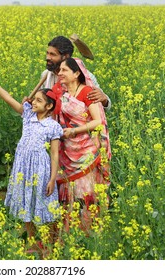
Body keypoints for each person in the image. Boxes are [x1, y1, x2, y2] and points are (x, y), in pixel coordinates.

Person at [0, 69, 63, 251]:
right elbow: (9, 99)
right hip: (22, 165)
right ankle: (32, 240)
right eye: (34, 99)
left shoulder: (53, 126)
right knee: (25, 201)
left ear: (49, 107)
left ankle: (49, 242)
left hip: (40, 168)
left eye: (39, 101)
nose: (33, 102)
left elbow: (55, 154)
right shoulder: (28, 115)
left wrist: (52, 178)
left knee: (42, 202)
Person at [54, 57, 111, 234]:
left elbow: (98, 121)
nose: (60, 73)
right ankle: (72, 234)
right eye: (59, 70)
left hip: (87, 152)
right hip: (68, 152)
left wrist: (75, 131)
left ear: (77, 73)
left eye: (64, 70)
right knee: (70, 195)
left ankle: (91, 233)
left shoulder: (87, 92)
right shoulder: (62, 95)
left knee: (86, 193)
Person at [42, 36, 111, 111]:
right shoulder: (46, 75)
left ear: (65, 56)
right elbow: (42, 100)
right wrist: (31, 102)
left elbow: (103, 105)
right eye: (47, 53)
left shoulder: (85, 76)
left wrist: (104, 100)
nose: (48, 57)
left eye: (52, 54)